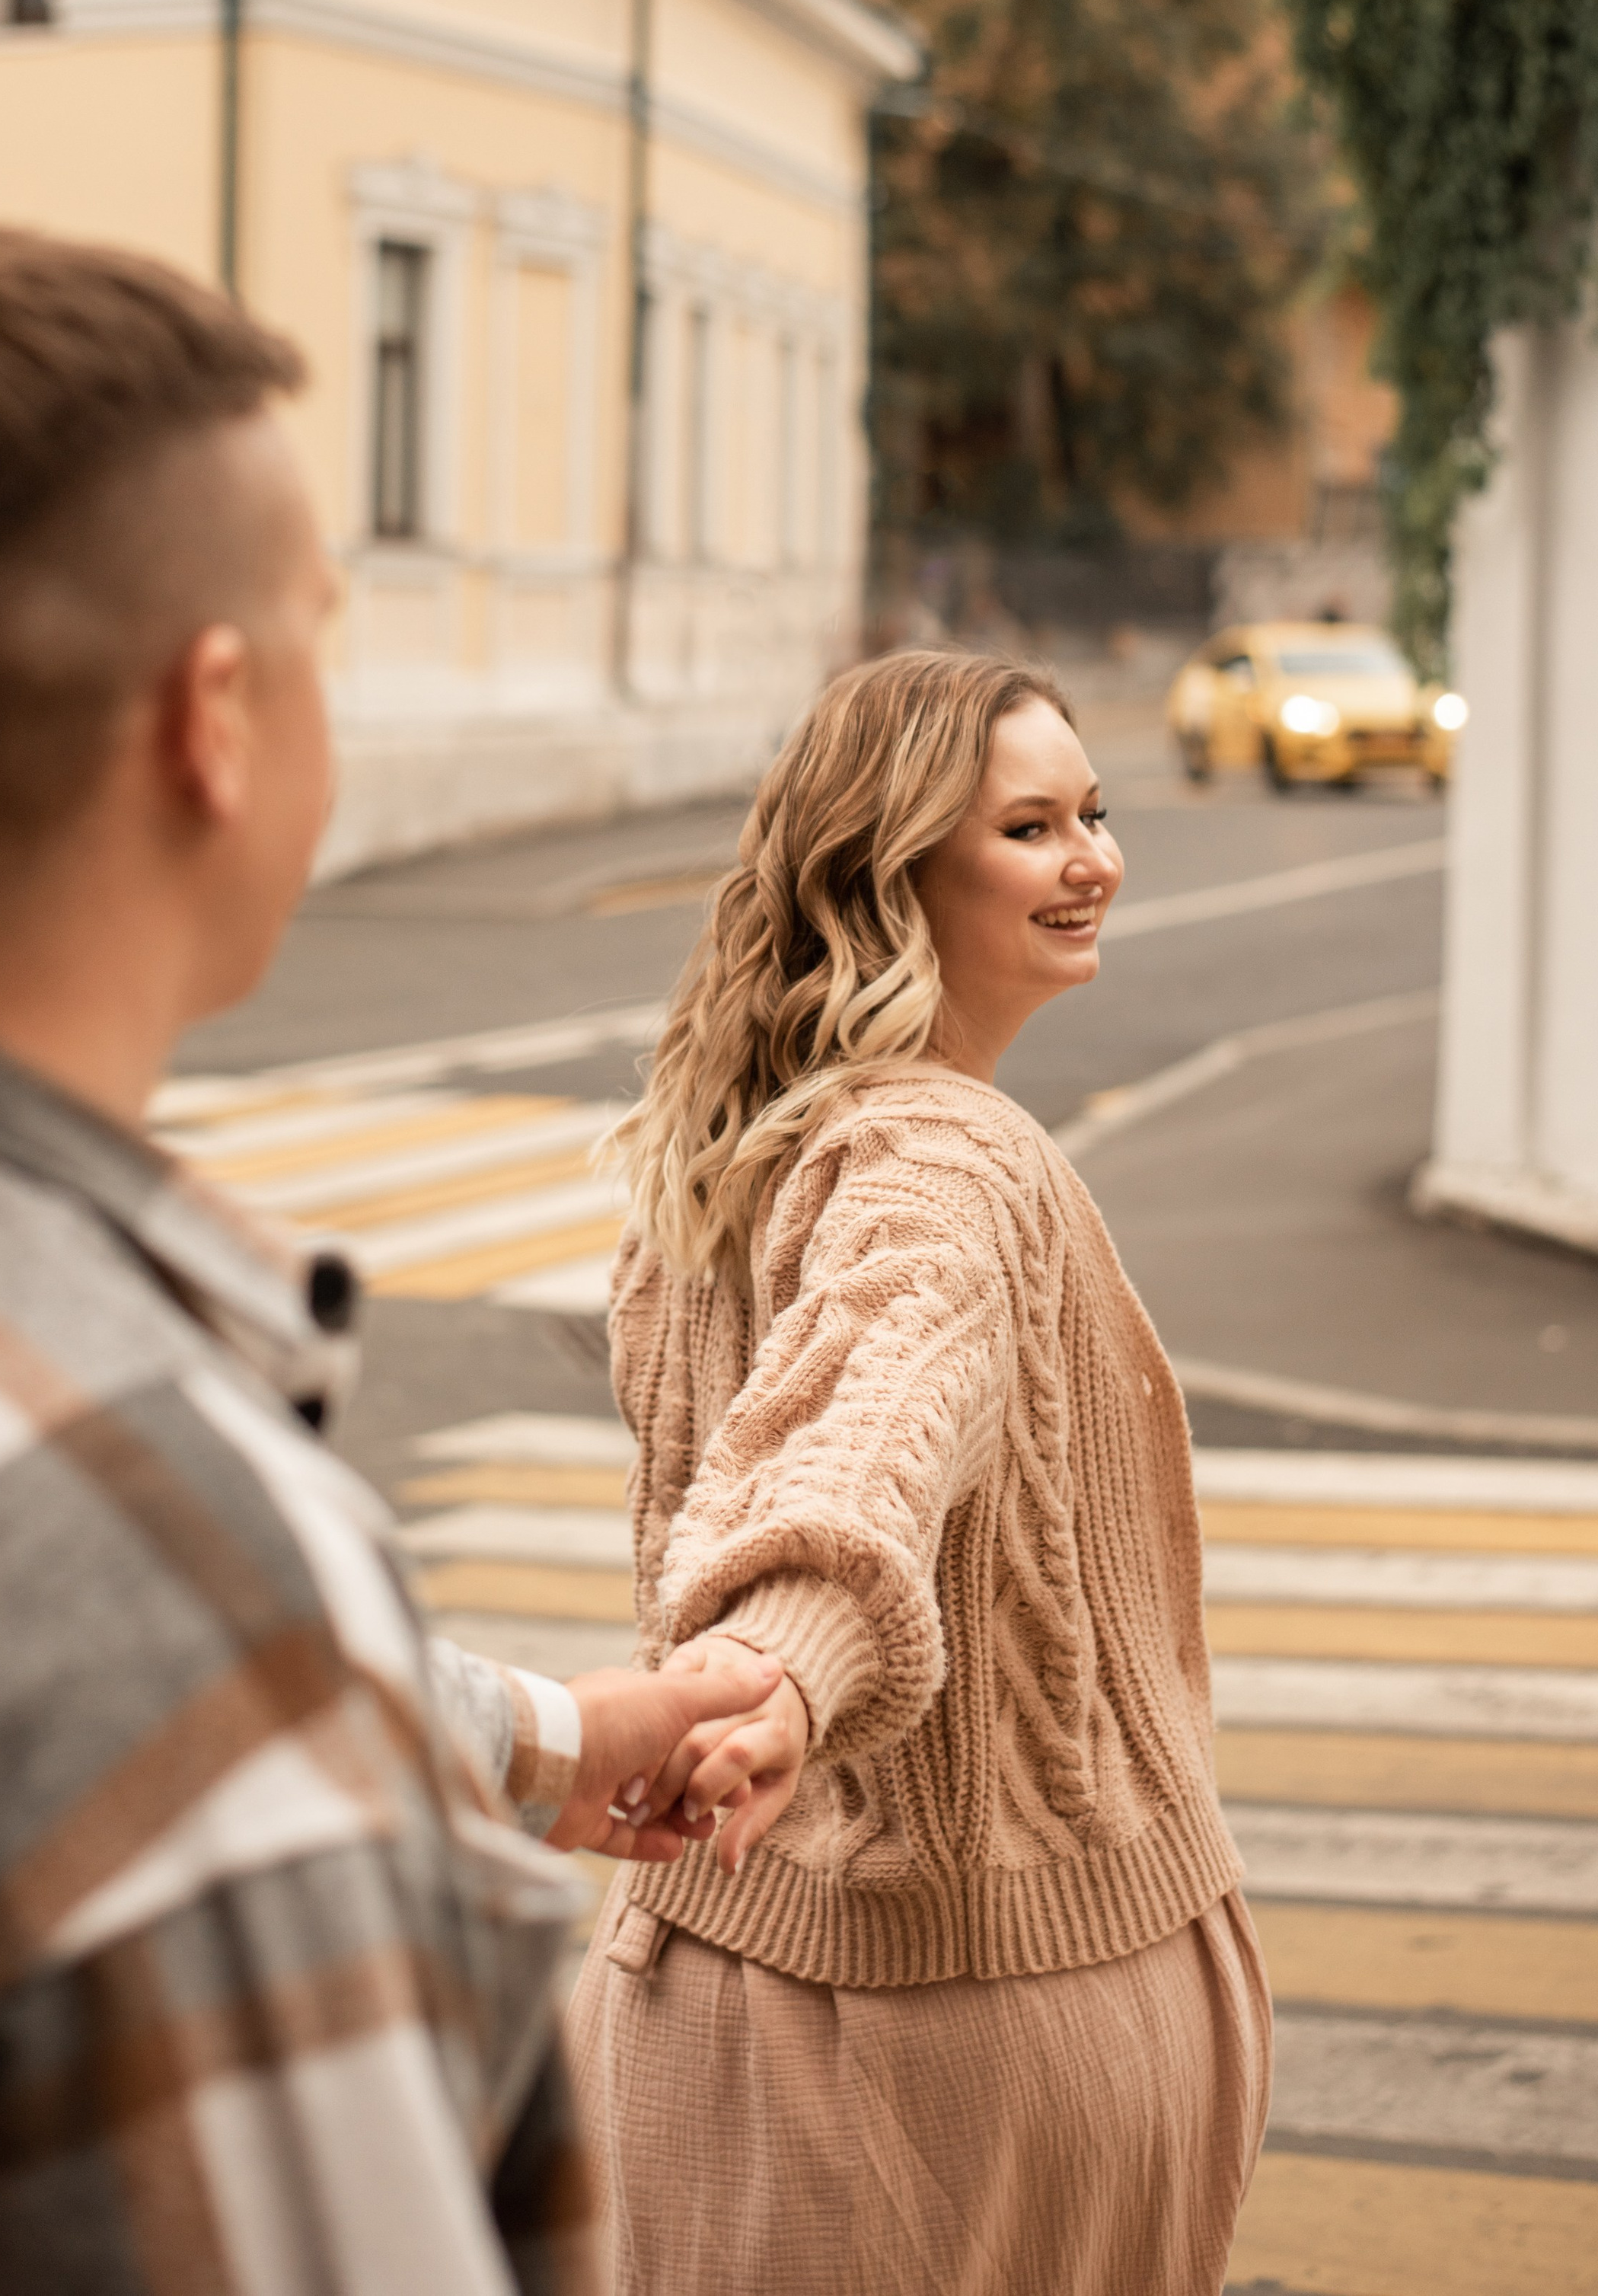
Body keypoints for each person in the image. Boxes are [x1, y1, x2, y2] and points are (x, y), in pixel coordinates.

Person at [0, 227, 781, 2294]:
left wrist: (550, 1738)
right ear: (213, 718)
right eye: (317, 630)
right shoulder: (149, 1579)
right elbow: (109, 1687)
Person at [566, 650, 1271, 2296]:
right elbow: (883, 1413)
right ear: (887, 875)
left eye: (1090, 813)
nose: (1090, 857)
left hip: (748, 1958)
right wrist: (782, 1670)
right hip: (937, 2019)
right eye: (1027, 827)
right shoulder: (946, 1156)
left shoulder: (738, 1146)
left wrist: (754, 1685)